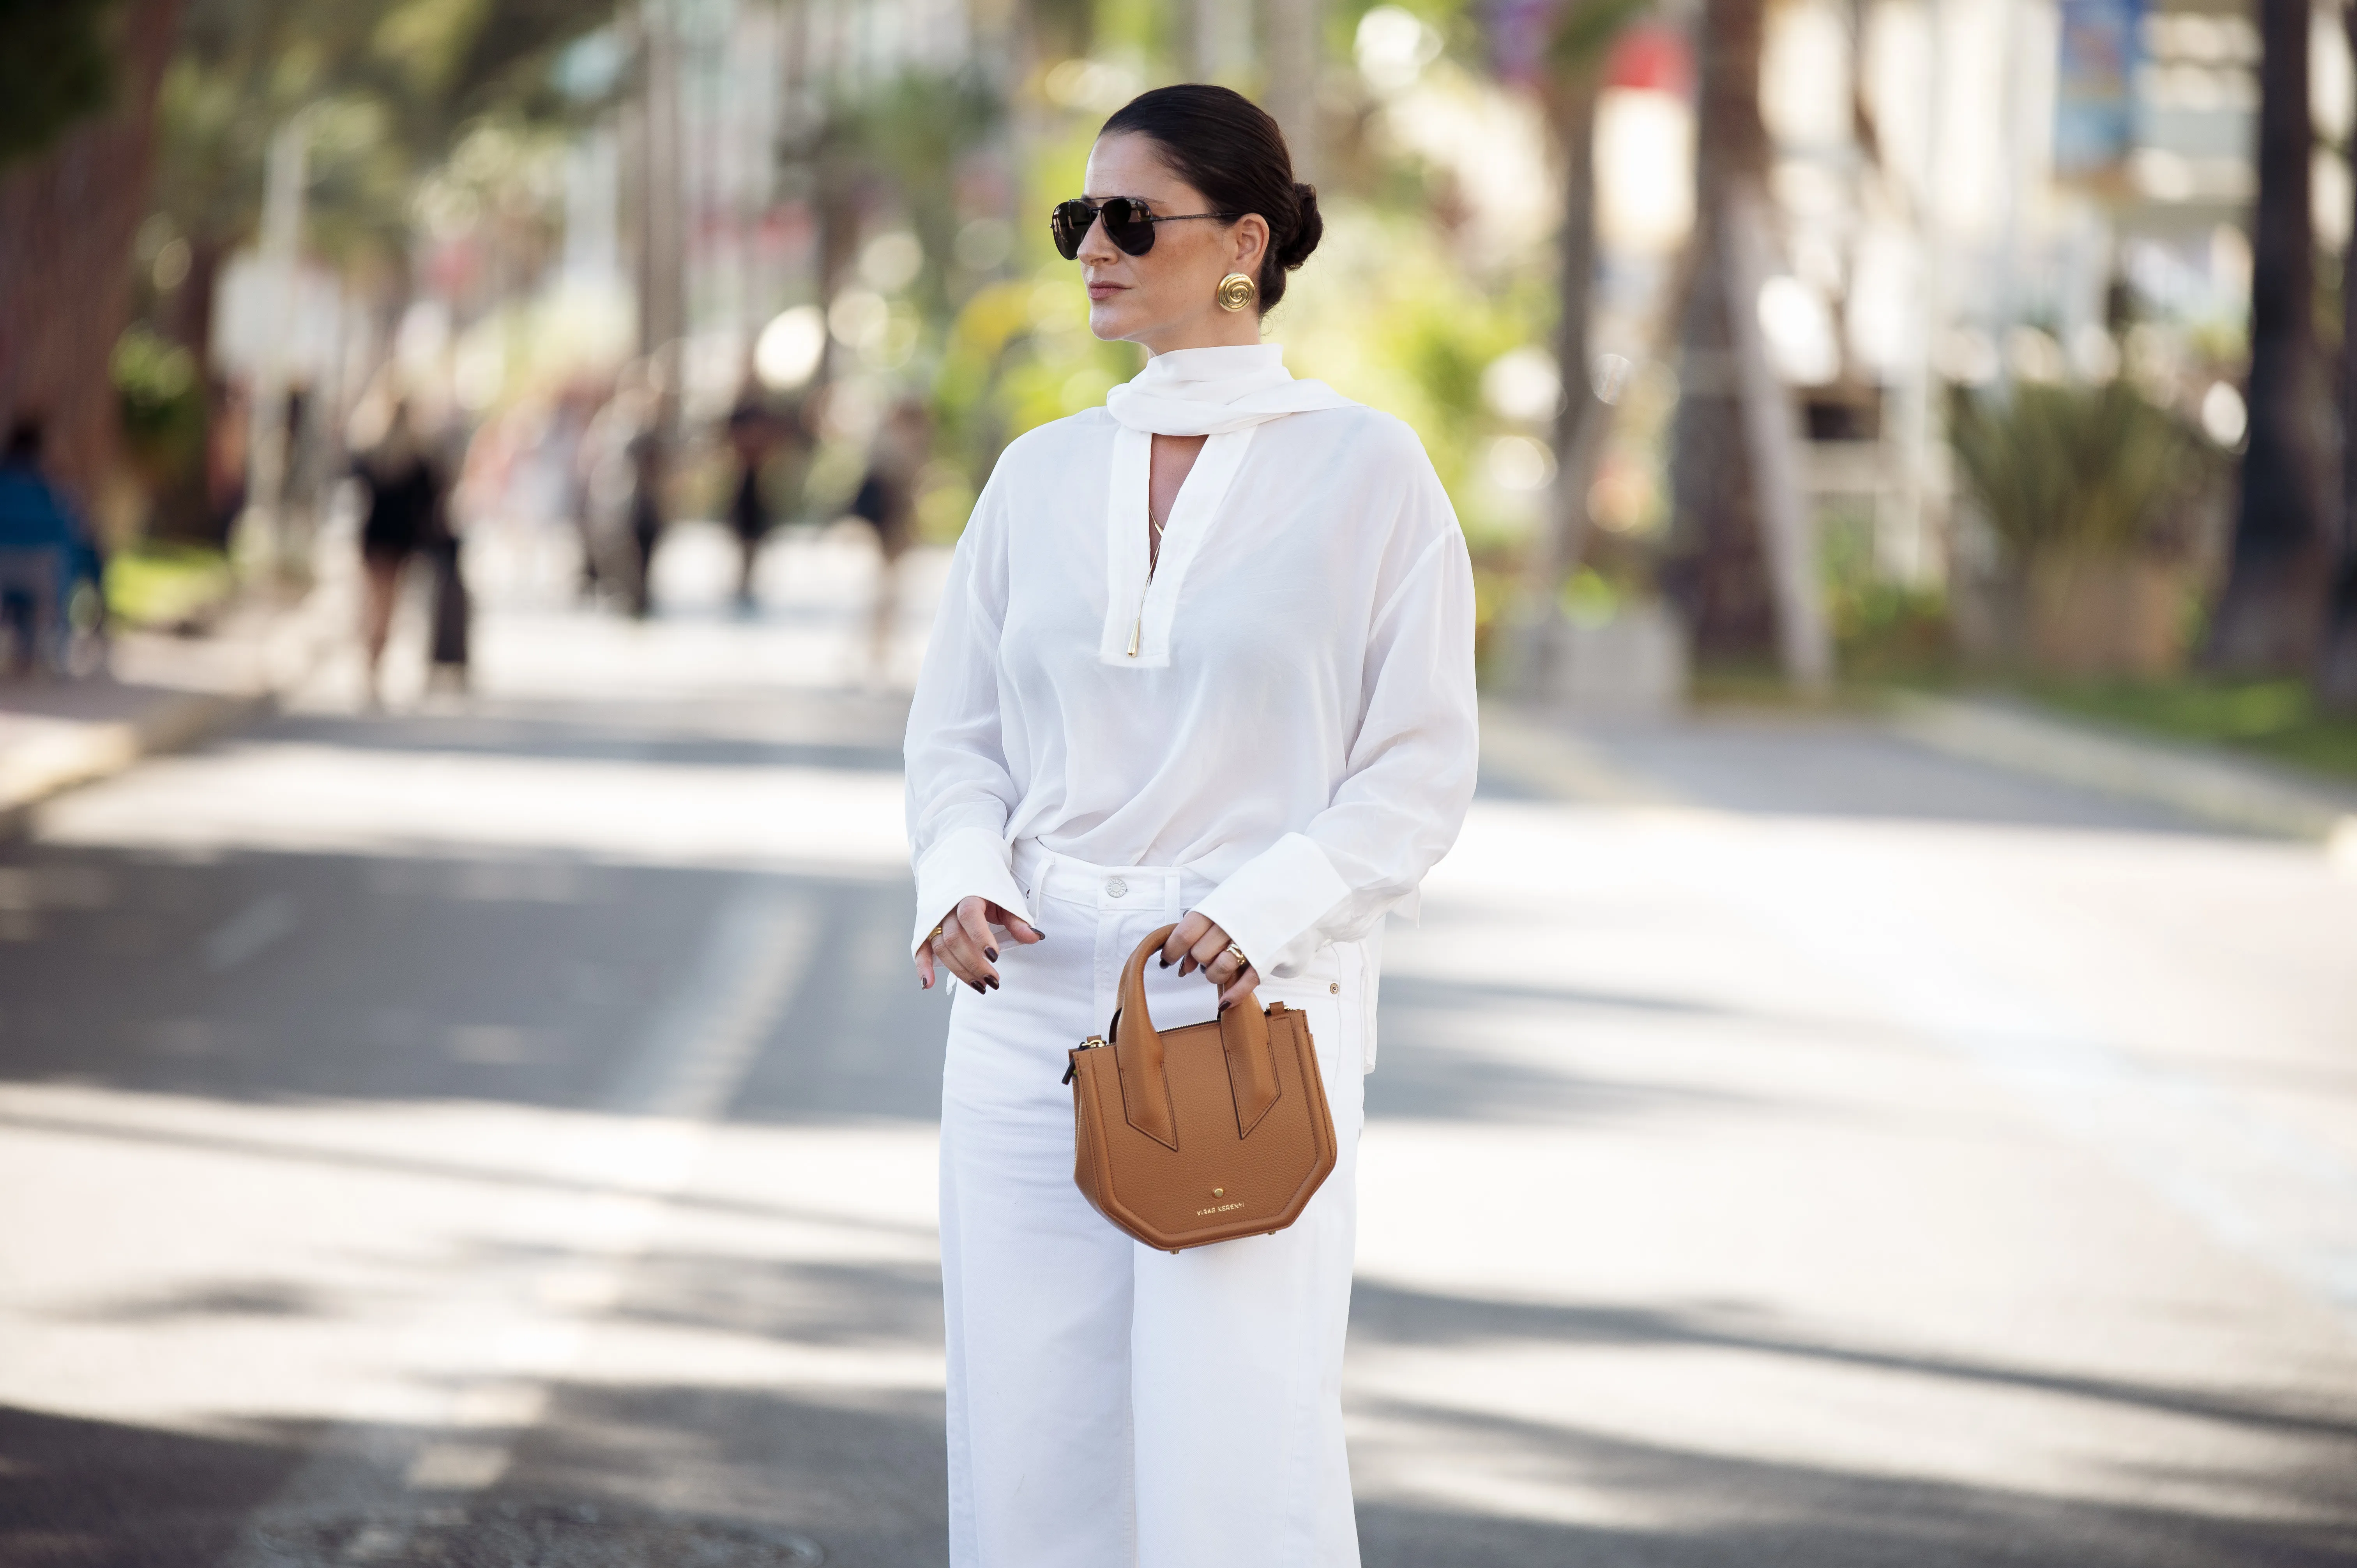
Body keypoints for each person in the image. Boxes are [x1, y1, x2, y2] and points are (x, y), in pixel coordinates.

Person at [903, 85, 1478, 1568]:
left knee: (1236, 1433)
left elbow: (1415, 766)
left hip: (1246, 999)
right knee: (1031, 1427)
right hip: (1024, 1002)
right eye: (1071, 220)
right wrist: (958, 876)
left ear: (1238, 242)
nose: (1090, 247)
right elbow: (957, 733)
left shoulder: (1368, 473)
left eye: (1126, 219)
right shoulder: (1036, 476)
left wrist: (1269, 907)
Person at [352, 400, 444, 707]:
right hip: (398, 541)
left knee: (372, 603)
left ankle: (370, 665)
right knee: (386, 608)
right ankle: (374, 665)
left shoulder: (371, 452)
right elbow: (432, 501)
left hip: (374, 538)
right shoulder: (417, 457)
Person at [0, 417, 102, 675]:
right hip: (42, 568)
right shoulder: (49, 485)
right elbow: (73, 526)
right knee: (72, 561)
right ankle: (49, 651)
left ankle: (28, 650)